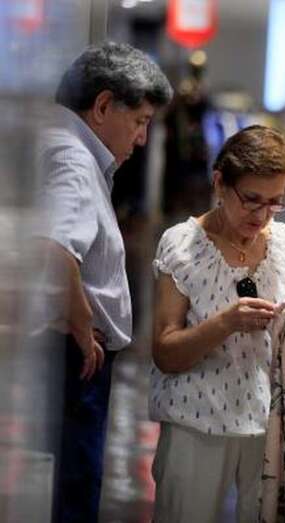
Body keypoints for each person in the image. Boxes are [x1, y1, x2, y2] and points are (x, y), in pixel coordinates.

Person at [150, 125, 285, 522]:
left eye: (274, 203)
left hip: (268, 428)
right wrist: (225, 322)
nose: (261, 215)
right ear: (219, 184)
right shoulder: (182, 246)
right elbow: (166, 352)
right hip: (195, 423)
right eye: (251, 200)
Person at [33, 41, 172, 522]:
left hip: (74, 352)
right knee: (76, 482)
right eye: (139, 122)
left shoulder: (70, 150)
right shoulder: (72, 158)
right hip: (76, 356)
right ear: (102, 107)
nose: (141, 139)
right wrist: (81, 323)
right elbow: (56, 247)